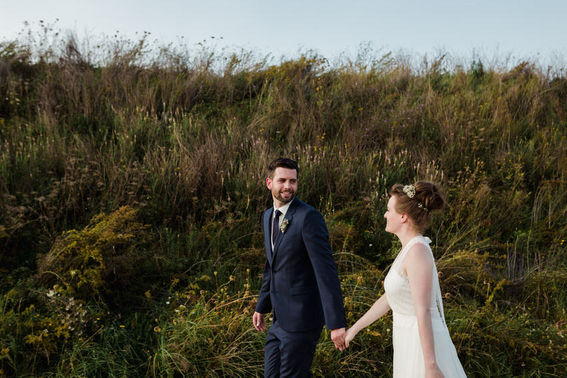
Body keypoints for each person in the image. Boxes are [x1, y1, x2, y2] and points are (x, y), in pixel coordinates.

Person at [345, 182, 466, 378]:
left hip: (421, 346)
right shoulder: (408, 250)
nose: (385, 215)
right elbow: (390, 298)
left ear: (403, 216)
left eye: (388, 210)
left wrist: (431, 366)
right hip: (407, 341)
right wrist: (354, 330)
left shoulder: (417, 251)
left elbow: (423, 310)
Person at [253, 157, 347, 377]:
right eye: (282, 180)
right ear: (269, 183)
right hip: (278, 320)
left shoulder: (308, 217)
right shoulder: (268, 217)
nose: (288, 186)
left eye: (293, 181)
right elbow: (272, 265)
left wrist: (336, 323)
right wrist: (262, 305)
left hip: (302, 321)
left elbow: (326, 272)